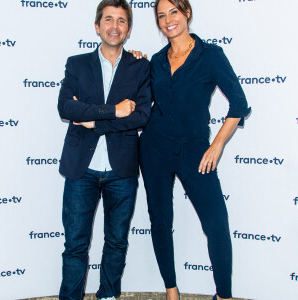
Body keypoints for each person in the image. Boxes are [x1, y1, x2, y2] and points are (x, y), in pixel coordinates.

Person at [139, 1, 251, 300]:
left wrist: (217, 145)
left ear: (187, 13)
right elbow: (141, 97)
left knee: (216, 223)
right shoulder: (157, 61)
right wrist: (134, 61)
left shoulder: (210, 55)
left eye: (173, 12)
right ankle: (172, 291)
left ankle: (224, 295)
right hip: (154, 148)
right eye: (161, 16)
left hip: (196, 150)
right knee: (160, 219)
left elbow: (239, 104)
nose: (168, 20)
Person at [57, 0, 151, 299]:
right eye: (108, 20)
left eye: (121, 21)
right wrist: (113, 111)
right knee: (75, 245)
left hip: (121, 169)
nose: (114, 26)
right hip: (80, 169)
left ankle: (108, 294)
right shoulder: (77, 63)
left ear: (128, 29)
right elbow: (66, 107)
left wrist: (93, 122)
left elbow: (141, 115)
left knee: (117, 241)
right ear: (97, 27)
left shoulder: (140, 66)